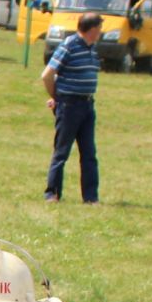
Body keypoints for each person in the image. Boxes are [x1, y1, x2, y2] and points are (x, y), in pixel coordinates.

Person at [40, 11, 104, 204]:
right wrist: (57, 97)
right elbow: (48, 75)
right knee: (62, 152)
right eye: (99, 29)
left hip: (87, 105)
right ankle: (52, 194)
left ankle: (91, 197)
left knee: (89, 153)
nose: (101, 32)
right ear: (92, 30)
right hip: (69, 106)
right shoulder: (69, 45)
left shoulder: (91, 48)